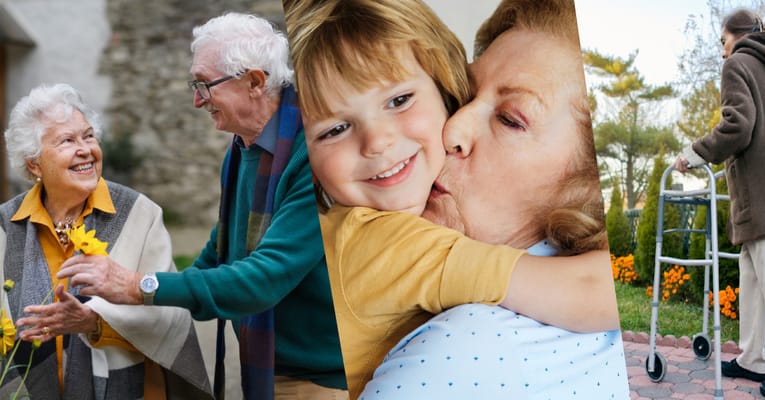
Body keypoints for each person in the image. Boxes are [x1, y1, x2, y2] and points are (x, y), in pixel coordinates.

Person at [284, 0, 622, 398]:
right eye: (466, 95)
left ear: (591, 181)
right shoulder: (385, 243)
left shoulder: (471, 344)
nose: (453, 129)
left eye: (510, 119)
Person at [57, 13, 346, 400]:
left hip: (320, 380)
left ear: (256, 82)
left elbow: (263, 279)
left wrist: (136, 285)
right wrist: (104, 313)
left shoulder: (314, 154)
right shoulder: (245, 147)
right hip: (268, 368)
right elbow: (218, 256)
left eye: (205, 85)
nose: (196, 101)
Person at [0, 83, 211, 399]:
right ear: (34, 163)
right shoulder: (6, 224)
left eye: (88, 136)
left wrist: (94, 322)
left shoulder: (140, 214)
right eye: (67, 141)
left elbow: (169, 318)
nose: (85, 149)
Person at [673, 9, 765, 400]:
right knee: (753, 275)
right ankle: (753, 358)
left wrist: (696, 153)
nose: (722, 52)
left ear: (736, 35)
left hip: (762, 190)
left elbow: (738, 125)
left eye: (722, 41)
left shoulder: (738, 62)